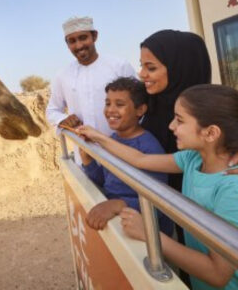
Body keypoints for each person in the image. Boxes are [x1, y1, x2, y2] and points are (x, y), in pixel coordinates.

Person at [77, 84, 238, 290]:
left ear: (210, 133)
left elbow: (218, 274)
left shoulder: (236, 190)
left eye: (180, 120)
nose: (171, 126)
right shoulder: (192, 159)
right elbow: (140, 159)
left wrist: (149, 234)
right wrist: (99, 138)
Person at [80, 77, 173, 236]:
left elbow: (159, 205)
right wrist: (88, 162)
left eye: (120, 104)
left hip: (148, 239)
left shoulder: (149, 148)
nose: (110, 110)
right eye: (108, 103)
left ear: (140, 110)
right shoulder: (113, 140)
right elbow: (107, 182)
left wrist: (118, 205)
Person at [46, 16, 135, 165]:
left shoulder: (119, 65)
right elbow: (52, 111)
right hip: (85, 157)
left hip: (122, 154)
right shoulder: (62, 75)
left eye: (83, 38)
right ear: (67, 44)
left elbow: (140, 103)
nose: (79, 45)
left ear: (94, 36)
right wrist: (63, 120)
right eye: (72, 41)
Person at [139, 29, 212, 192]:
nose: (142, 74)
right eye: (141, 65)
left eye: (151, 68)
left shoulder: (213, 112)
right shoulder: (146, 102)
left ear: (179, 67)